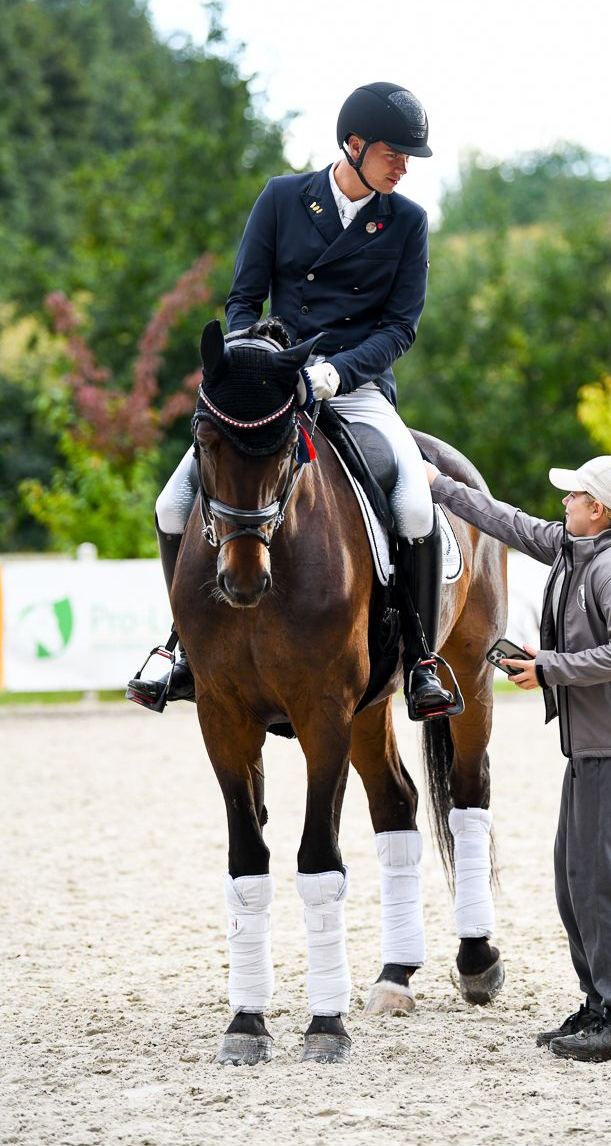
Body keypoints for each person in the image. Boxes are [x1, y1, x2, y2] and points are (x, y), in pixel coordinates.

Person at [128, 82, 457, 720]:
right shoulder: (282, 197)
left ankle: (420, 660)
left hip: (356, 388)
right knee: (171, 503)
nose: (404, 167)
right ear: (354, 145)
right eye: (393, 153)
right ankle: (183, 648)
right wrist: (252, 358)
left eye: (408, 157)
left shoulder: (408, 222)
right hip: (272, 380)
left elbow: (400, 328)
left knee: (416, 508)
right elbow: (243, 299)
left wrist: (336, 373)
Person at [425, 453, 611, 1063]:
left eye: (574, 494)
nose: (564, 501)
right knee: (573, 882)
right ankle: (599, 1004)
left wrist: (549, 668)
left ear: (598, 509)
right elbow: (505, 520)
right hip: (591, 744)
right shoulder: (572, 548)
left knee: (604, 883)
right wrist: (442, 487)